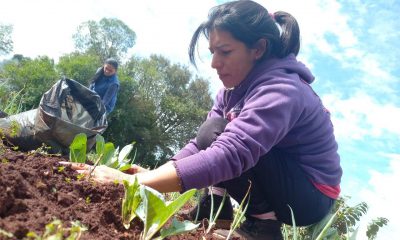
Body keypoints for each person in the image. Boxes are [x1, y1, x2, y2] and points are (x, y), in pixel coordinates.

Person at [68, 1, 342, 239]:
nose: (214, 63)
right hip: (281, 175)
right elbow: (203, 141)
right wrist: (157, 173)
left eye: (225, 51)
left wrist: (133, 183)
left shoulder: (282, 89)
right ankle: (213, 207)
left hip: (309, 195)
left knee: (223, 136)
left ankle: (264, 227)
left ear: (258, 49)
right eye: (212, 51)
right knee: (212, 130)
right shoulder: (232, 90)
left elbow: (231, 152)